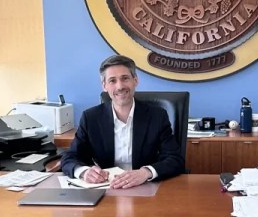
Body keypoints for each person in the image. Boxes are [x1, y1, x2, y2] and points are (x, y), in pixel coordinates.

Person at [61, 55, 184, 188]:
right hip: (107, 188)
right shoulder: (91, 118)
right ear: (104, 86)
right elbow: (70, 157)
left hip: (145, 186)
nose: (120, 86)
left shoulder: (157, 116)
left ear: (135, 80)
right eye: (112, 81)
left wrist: (145, 172)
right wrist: (84, 172)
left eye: (125, 78)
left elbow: (175, 159)